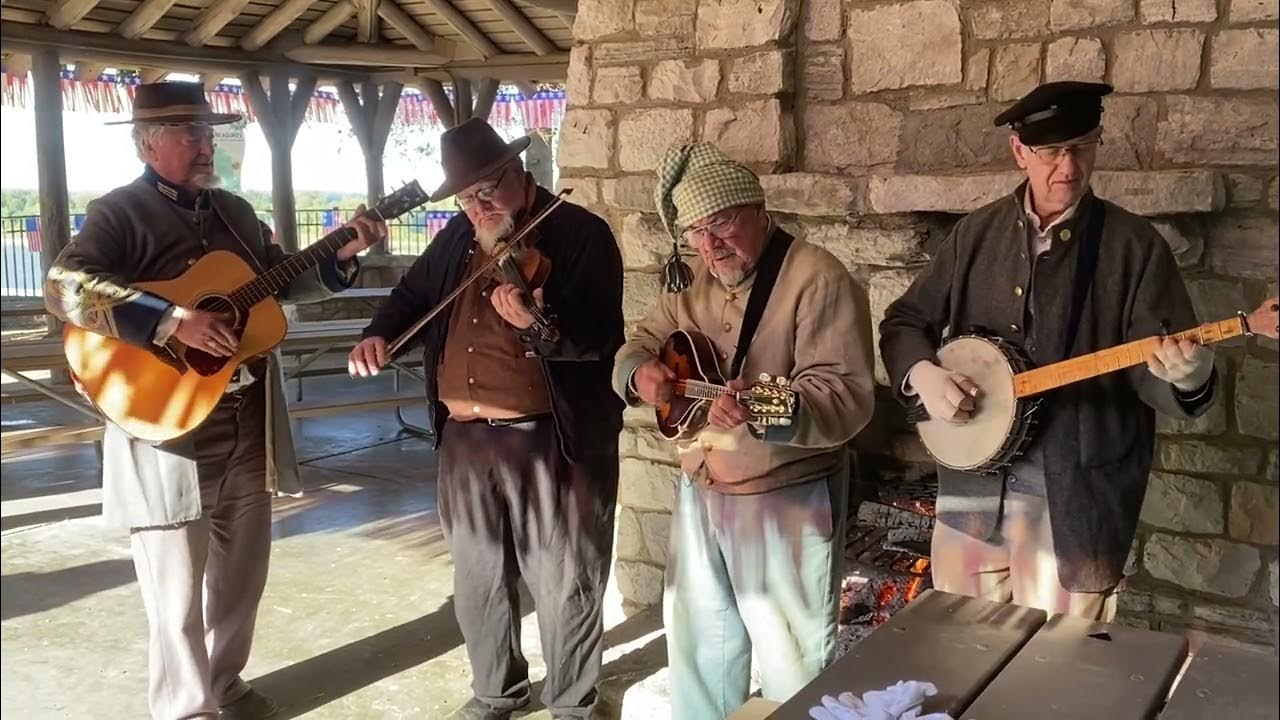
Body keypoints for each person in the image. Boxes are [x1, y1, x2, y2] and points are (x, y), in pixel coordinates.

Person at [44, 81, 386, 720]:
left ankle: (225, 683)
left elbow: (282, 280)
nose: (207, 146)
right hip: (166, 424)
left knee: (242, 570)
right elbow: (63, 288)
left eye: (210, 133)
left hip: (246, 415)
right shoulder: (118, 213)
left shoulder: (234, 211)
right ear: (150, 145)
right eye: (190, 134)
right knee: (174, 583)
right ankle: (185, 707)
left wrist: (341, 256)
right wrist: (171, 320)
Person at [879, 81, 1217, 621]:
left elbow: (1155, 372)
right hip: (971, 500)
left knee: (1055, 684)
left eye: (1083, 146)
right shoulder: (975, 234)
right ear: (1019, 152)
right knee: (958, 656)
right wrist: (923, 373)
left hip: (1074, 508)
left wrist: (1188, 377)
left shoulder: (1134, 248)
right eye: (1050, 151)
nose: (1068, 167)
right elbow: (904, 321)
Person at [348, 118, 624, 720]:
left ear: (518, 172)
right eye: (468, 197)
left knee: (564, 577)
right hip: (465, 442)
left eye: (488, 190)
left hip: (552, 439)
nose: (480, 206)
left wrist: (538, 325)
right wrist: (379, 334)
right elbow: (411, 297)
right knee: (478, 581)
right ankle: (497, 692)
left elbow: (602, 338)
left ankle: (573, 703)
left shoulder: (579, 234)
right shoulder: (456, 237)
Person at [614, 143, 875, 718]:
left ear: (760, 210)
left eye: (723, 223)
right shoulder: (692, 289)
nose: (712, 246)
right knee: (700, 651)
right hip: (700, 487)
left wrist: (760, 406)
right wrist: (641, 375)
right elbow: (636, 344)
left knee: (792, 663)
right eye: (698, 234)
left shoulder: (818, 278)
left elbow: (846, 395)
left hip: (784, 499)